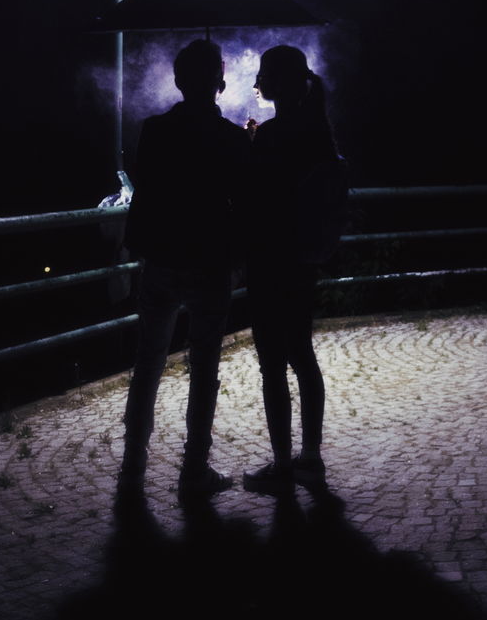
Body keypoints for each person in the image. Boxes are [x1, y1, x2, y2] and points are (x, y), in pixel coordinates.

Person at [118, 38, 250, 498]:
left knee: (148, 363)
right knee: (205, 365)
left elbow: (148, 188)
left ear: (178, 81)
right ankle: (194, 469)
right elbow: (242, 197)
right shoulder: (232, 138)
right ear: (220, 81)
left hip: (161, 258)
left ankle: (132, 467)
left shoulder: (154, 130)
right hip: (210, 261)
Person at [243, 45, 347, 494]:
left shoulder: (272, 137)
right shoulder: (318, 132)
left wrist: (253, 145)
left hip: (269, 260)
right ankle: (311, 456)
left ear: (275, 83)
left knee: (271, 365)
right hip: (303, 260)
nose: (255, 84)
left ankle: (282, 462)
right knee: (302, 354)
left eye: (262, 76)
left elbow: (256, 197)